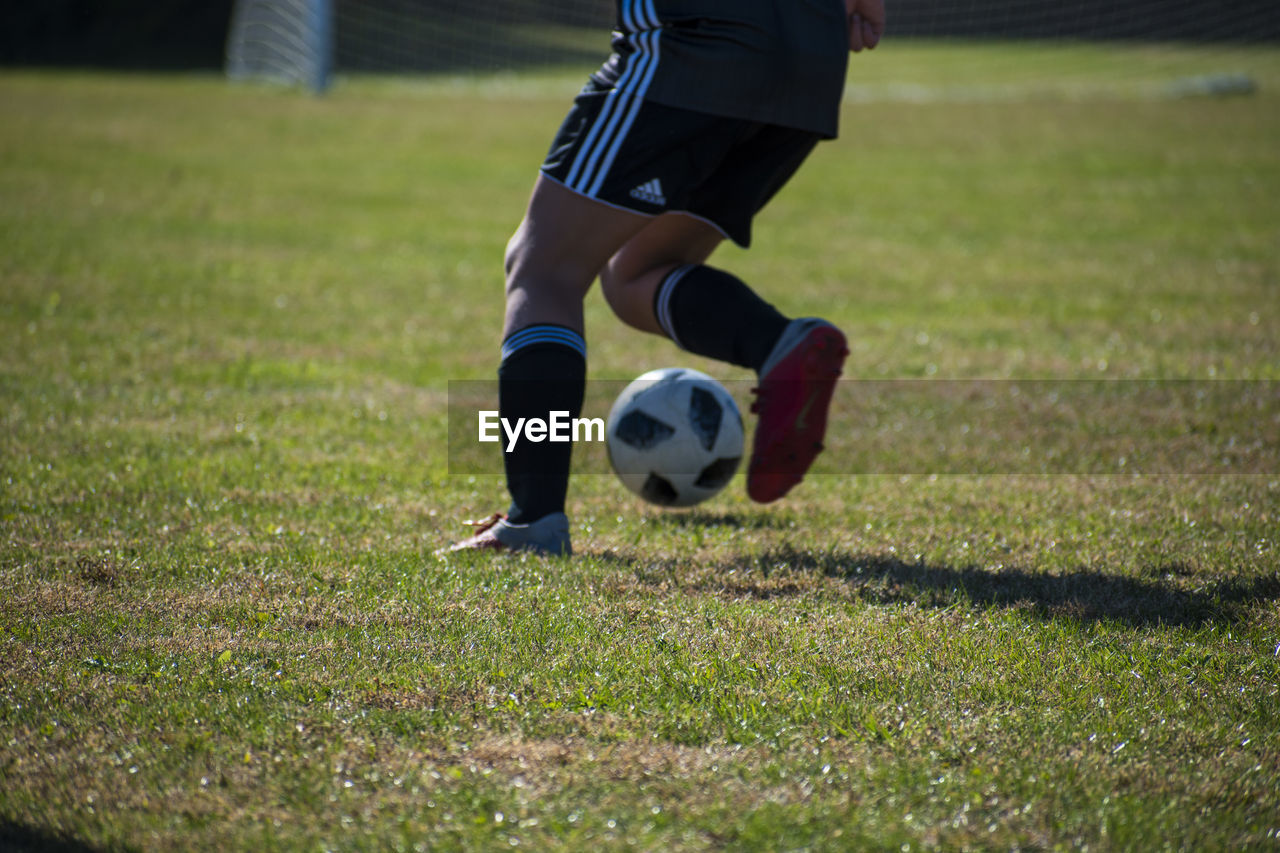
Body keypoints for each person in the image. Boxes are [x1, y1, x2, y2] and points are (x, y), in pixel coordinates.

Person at [445, 0, 886, 555]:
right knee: (634, 275)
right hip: (809, 58)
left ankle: (533, 519)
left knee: (543, 269)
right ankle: (781, 345)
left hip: (696, 42)